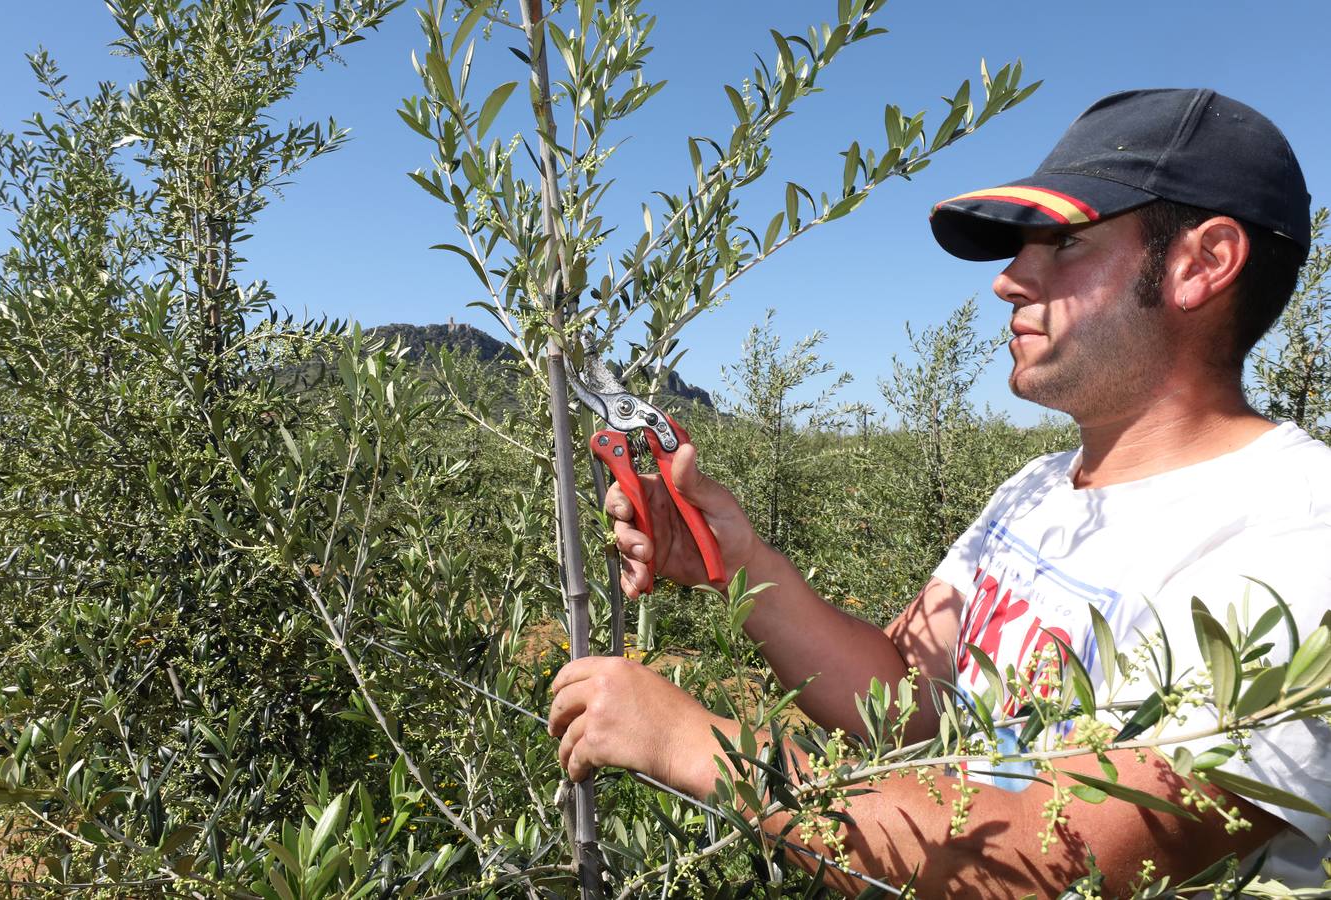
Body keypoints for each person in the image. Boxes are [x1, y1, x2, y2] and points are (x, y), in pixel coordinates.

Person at [547, 88, 1331, 896]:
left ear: (1202, 263)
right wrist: (739, 562)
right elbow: (904, 694)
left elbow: (1035, 871)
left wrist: (696, 747)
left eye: (1061, 243)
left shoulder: (1297, 546)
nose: (1009, 280)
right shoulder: (1039, 490)